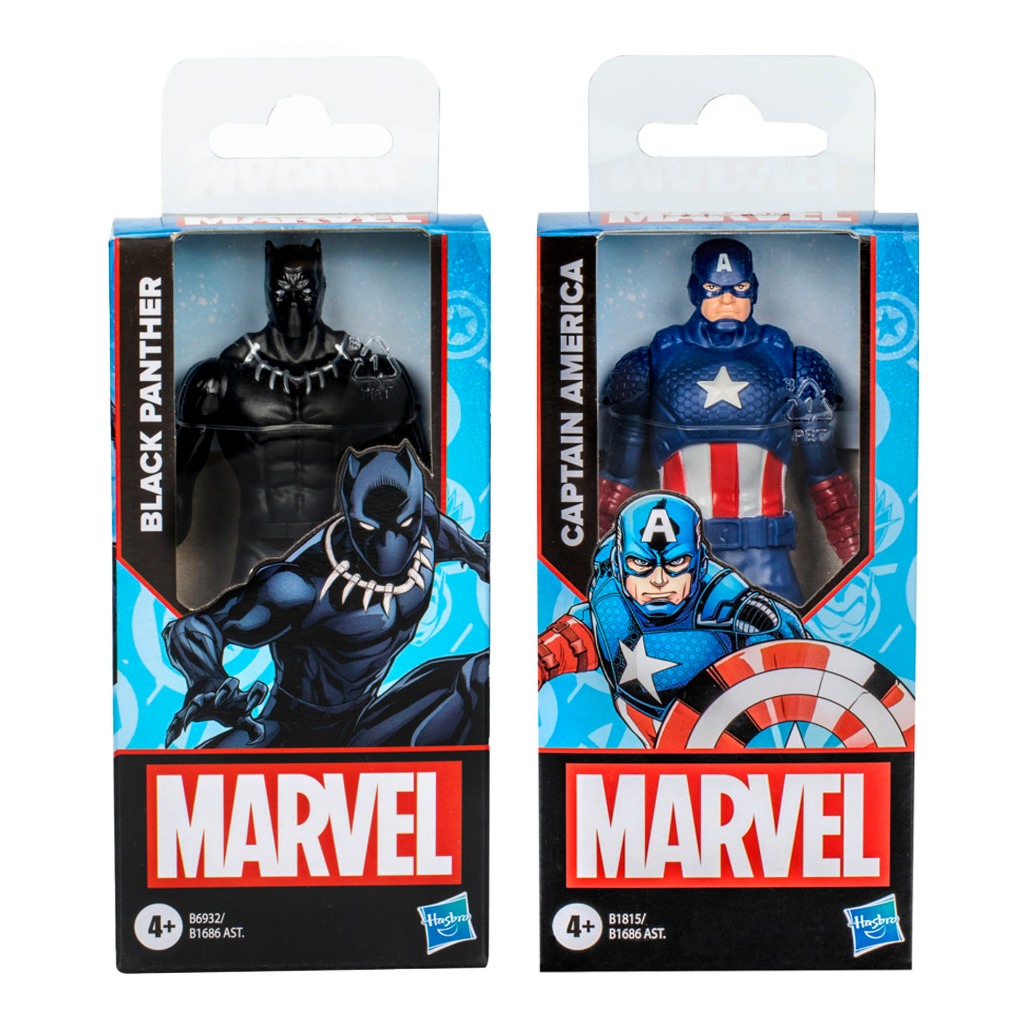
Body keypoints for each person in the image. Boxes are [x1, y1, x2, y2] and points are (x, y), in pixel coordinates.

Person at [164, 444, 488, 748]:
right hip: (289, 731)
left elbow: (463, 545)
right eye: (370, 530)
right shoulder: (297, 587)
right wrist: (207, 680)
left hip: (367, 720)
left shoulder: (426, 526)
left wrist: (484, 557)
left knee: (484, 675)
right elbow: (194, 628)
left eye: (404, 526)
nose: (389, 544)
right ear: (349, 513)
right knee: (192, 777)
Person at [599, 237, 858, 603]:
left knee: (782, 639)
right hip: (681, 561)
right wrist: (597, 566)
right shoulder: (650, 362)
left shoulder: (794, 362)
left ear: (754, 289)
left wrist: (856, 563)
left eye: (739, 288)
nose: (726, 300)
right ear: (694, 289)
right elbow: (615, 487)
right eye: (713, 288)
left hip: (766, 561)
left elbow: (828, 482)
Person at [176, 239, 425, 585]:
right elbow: (177, 488)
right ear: (266, 291)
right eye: (282, 294)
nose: (293, 307)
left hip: (336, 548)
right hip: (257, 547)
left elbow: (419, 475)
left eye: (304, 294)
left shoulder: (366, 373)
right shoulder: (224, 376)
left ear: (323, 288)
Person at [539, 491, 805, 748]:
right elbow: (574, 640)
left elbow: (804, 666)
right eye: (641, 564)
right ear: (619, 563)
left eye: (676, 563)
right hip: (646, 727)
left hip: (727, 735)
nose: (658, 580)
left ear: (700, 563)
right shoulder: (609, 601)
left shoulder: (736, 610)